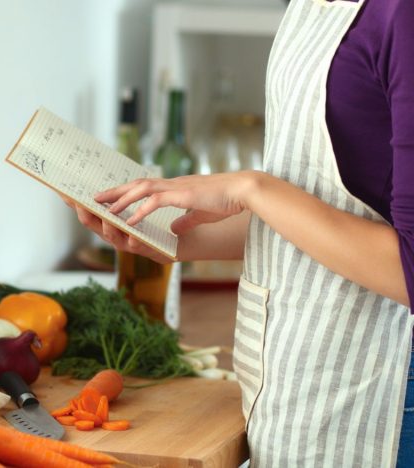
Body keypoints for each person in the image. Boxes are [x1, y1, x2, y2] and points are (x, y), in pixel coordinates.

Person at [63, 0, 414, 466]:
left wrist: (251, 187)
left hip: (383, 394)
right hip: (297, 375)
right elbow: (330, 203)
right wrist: (174, 235)